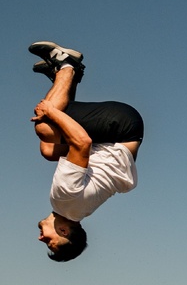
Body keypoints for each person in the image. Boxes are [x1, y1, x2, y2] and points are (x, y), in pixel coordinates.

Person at [29, 41, 144, 262]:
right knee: (45, 124)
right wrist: (50, 111)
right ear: (64, 232)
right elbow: (82, 143)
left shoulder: (78, 211)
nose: (41, 238)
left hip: (122, 136)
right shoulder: (64, 200)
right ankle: (66, 65)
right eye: (50, 242)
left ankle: (63, 78)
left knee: (48, 149)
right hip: (119, 126)